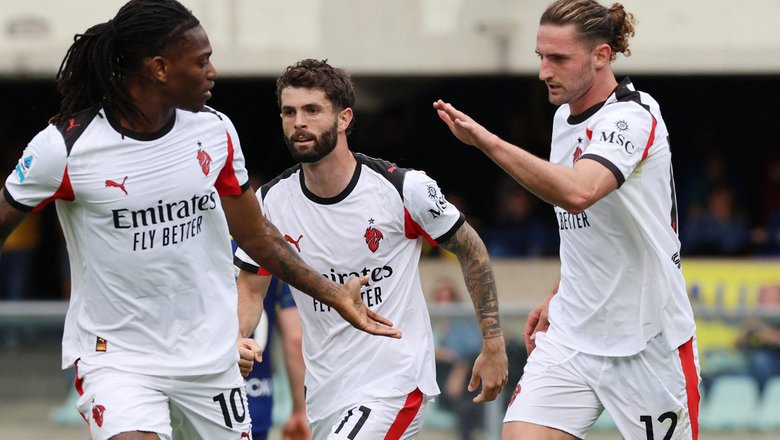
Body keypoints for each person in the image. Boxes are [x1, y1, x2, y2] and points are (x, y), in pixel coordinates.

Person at [0, 1, 399, 439]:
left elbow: (256, 236)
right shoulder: (65, 147)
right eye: (201, 60)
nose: (212, 72)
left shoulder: (214, 131)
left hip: (212, 359)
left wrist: (335, 294)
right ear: (159, 68)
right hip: (118, 359)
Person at [433, 1, 700, 439]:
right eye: (540, 56)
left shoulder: (634, 117)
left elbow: (579, 193)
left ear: (601, 55)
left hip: (649, 341)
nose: (544, 71)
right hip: (571, 337)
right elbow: (590, 231)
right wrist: (558, 293)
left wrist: (486, 142)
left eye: (558, 58)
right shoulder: (563, 118)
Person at [235, 58, 508, 439]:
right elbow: (250, 287)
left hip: (394, 384)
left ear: (344, 118)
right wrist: (238, 338)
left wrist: (493, 343)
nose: (299, 122)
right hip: (327, 395)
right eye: (289, 111)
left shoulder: (403, 189)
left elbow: (471, 249)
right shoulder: (269, 203)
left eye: (312, 110)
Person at [243, 275, 310, 440]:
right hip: (256, 401)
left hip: (197, 398)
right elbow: (295, 338)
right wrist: (300, 411)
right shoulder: (272, 252)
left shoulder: (200, 251)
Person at [429, 277, 484, 440]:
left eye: (449, 297)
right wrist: (440, 352)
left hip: (466, 375)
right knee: (466, 406)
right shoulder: (426, 321)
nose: (445, 303)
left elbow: (474, 349)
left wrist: (460, 369)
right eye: (440, 297)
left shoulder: (464, 323)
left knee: (471, 402)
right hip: (439, 377)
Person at [736, 284, 780, 393]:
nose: (767, 302)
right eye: (765, 298)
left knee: (761, 361)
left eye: (771, 298)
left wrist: (770, 336)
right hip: (749, 360)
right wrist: (747, 332)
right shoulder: (756, 317)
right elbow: (735, 346)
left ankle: (762, 398)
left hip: (772, 361)